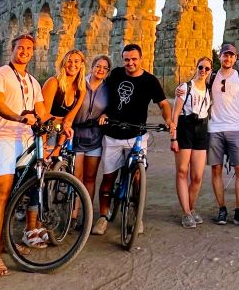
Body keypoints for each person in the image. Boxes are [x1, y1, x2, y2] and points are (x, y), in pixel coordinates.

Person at [0, 33, 49, 277]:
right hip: (3, 138)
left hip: (26, 140)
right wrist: (20, 116)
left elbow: (42, 111)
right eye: (21, 47)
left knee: (16, 193)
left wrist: (59, 124)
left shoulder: (33, 81)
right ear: (12, 49)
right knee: (1, 194)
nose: (25, 51)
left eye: (29, 48)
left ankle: (5, 242)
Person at [92, 43, 172, 236]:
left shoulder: (150, 81)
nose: (130, 63)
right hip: (112, 133)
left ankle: (136, 216)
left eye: (134, 59)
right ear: (123, 60)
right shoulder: (116, 74)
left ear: (141, 58)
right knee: (108, 177)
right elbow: (101, 96)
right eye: (127, 59)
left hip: (137, 135)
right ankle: (103, 216)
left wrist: (168, 120)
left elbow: (163, 104)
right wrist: (103, 113)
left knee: (137, 177)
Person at [201, 43, 239, 227]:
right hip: (214, 128)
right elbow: (198, 89)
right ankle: (222, 209)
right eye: (225, 55)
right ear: (220, 56)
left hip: (235, 128)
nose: (228, 58)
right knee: (216, 169)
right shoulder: (211, 75)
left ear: (235, 58)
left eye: (231, 56)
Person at [170, 56, 212, 228]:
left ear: (210, 71)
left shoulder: (210, 89)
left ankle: (191, 207)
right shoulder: (185, 87)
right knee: (182, 171)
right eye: (201, 67)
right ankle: (186, 212)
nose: (203, 71)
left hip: (201, 130)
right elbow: (175, 114)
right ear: (196, 68)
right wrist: (173, 137)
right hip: (185, 128)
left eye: (207, 69)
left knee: (197, 176)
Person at [71, 54, 111, 209]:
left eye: (105, 68)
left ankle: (85, 214)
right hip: (75, 135)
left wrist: (106, 114)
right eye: (98, 66)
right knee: (76, 177)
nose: (100, 70)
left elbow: (111, 107)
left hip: (95, 137)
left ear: (108, 72)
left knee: (90, 178)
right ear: (92, 67)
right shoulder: (79, 82)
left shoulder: (107, 89)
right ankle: (73, 213)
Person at [41, 49, 86, 156]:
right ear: (64, 63)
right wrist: (42, 147)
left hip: (62, 133)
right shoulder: (53, 83)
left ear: (82, 64)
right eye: (69, 61)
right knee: (44, 168)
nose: (72, 65)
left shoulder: (81, 89)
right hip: (45, 132)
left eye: (76, 61)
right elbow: (42, 118)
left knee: (56, 166)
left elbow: (69, 120)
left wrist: (58, 147)